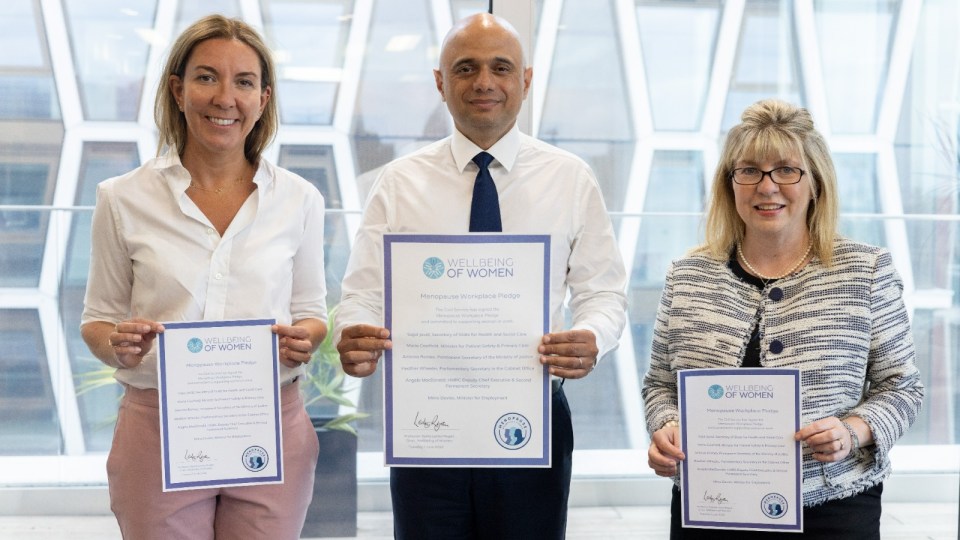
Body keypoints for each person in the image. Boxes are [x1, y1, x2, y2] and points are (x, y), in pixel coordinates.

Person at [334, 12, 628, 540]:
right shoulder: (400, 183)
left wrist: (591, 337)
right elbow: (362, 293)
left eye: (501, 67)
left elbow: (603, 291)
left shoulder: (570, 179)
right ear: (441, 83)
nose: (484, 82)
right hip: (427, 425)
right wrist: (354, 332)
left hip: (533, 419)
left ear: (526, 81)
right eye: (466, 68)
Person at [80, 15, 327, 540]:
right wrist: (118, 345)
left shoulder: (299, 200)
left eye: (243, 82)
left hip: (272, 425)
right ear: (178, 89)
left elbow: (313, 312)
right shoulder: (121, 198)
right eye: (207, 77)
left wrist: (306, 337)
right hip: (158, 429)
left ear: (263, 98)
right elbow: (97, 320)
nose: (224, 98)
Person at [642, 99, 924, 539]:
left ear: (815, 183)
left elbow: (902, 388)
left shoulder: (866, 270)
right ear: (730, 184)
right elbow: (659, 385)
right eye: (749, 170)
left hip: (833, 507)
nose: (767, 186)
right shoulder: (688, 275)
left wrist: (852, 431)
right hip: (710, 503)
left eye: (787, 170)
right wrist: (666, 427)